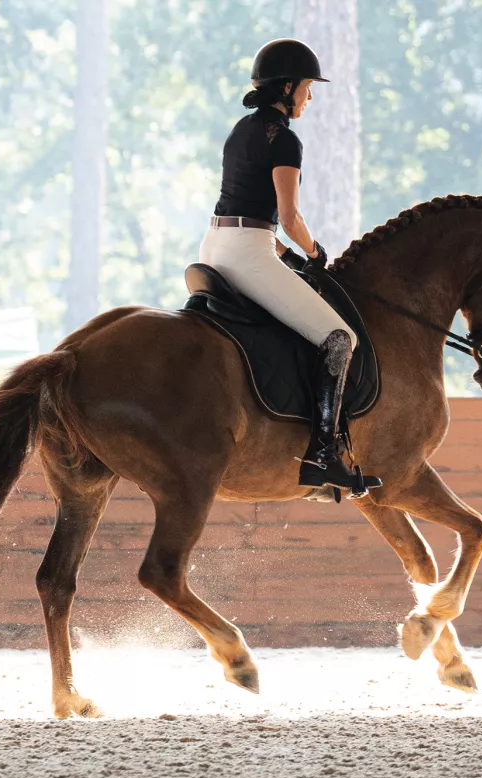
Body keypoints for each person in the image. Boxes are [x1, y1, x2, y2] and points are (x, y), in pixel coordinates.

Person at [198, 38, 380, 496]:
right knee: (340, 339)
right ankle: (322, 456)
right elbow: (290, 215)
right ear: (287, 87)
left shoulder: (241, 130)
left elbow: (250, 212)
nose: (310, 97)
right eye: (307, 87)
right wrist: (316, 253)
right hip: (248, 252)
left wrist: (287, 256)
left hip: (217, 244)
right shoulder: (286, 140)